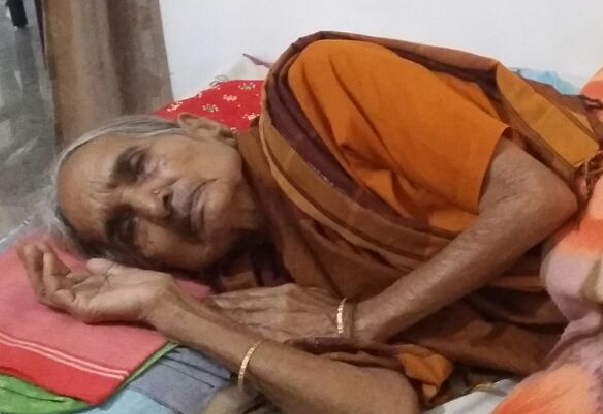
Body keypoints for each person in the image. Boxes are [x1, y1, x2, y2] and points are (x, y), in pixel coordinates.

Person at [17, 32, 603, 414]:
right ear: (157, 261)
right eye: (127, 229)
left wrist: (363, 319)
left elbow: (536, 196)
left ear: (205, 127)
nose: (154, 203)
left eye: (140, 166)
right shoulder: (266, 286)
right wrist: (172, 312)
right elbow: (383, 403)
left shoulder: (316, 87)